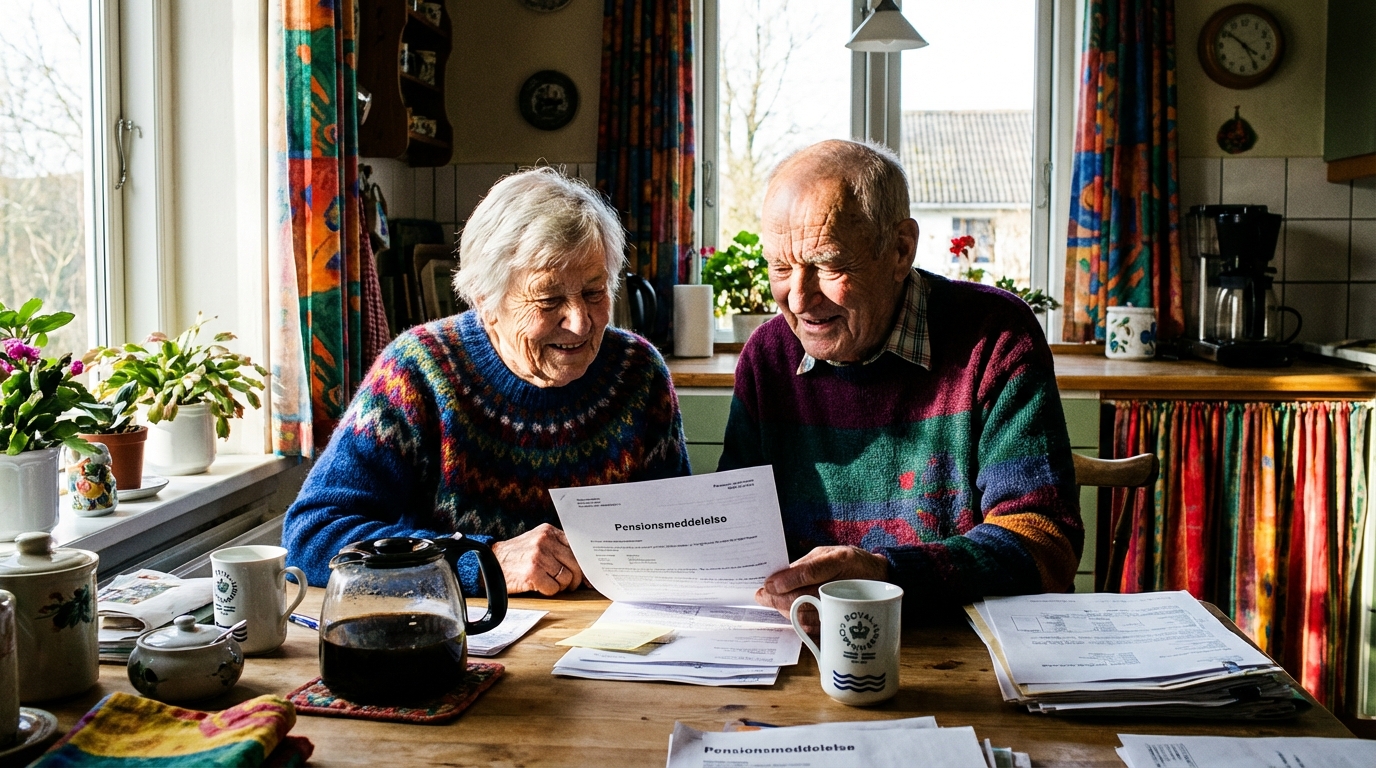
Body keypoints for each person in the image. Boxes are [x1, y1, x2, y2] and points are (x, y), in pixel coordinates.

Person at [284, 167, 691, 597]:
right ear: (486, 300)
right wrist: (482, 560)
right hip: (458, 639)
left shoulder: (638, 372)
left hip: (615, 641)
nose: (579, 321)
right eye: (549, 299)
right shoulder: (417, 372)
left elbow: (683, 532)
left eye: (594, 292)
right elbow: (313, 536)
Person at [718, 140, 1082, 622]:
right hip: (805, 651)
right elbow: (736, 533)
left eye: (828, 264)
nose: (799, 299)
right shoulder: (768, 357)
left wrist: (887, 576)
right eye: (781, 267)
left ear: (899, 250)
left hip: (966, 653)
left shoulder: (993, 338)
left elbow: (1044, 542)